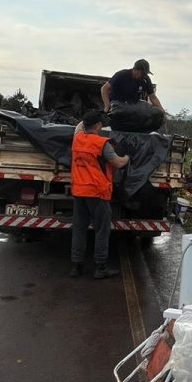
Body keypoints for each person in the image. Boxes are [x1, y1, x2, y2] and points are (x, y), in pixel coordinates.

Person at [69, 109, 129, 279]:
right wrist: (127, 158)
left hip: (79, 191)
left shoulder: (77, 140)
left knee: (79, 229)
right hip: (97, 192)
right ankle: (100, 267)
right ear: (98, 125)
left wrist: (88, 116)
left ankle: (76, 265)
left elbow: (79, 127)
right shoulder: (102, 144)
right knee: (102, 230)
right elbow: (117, 163)